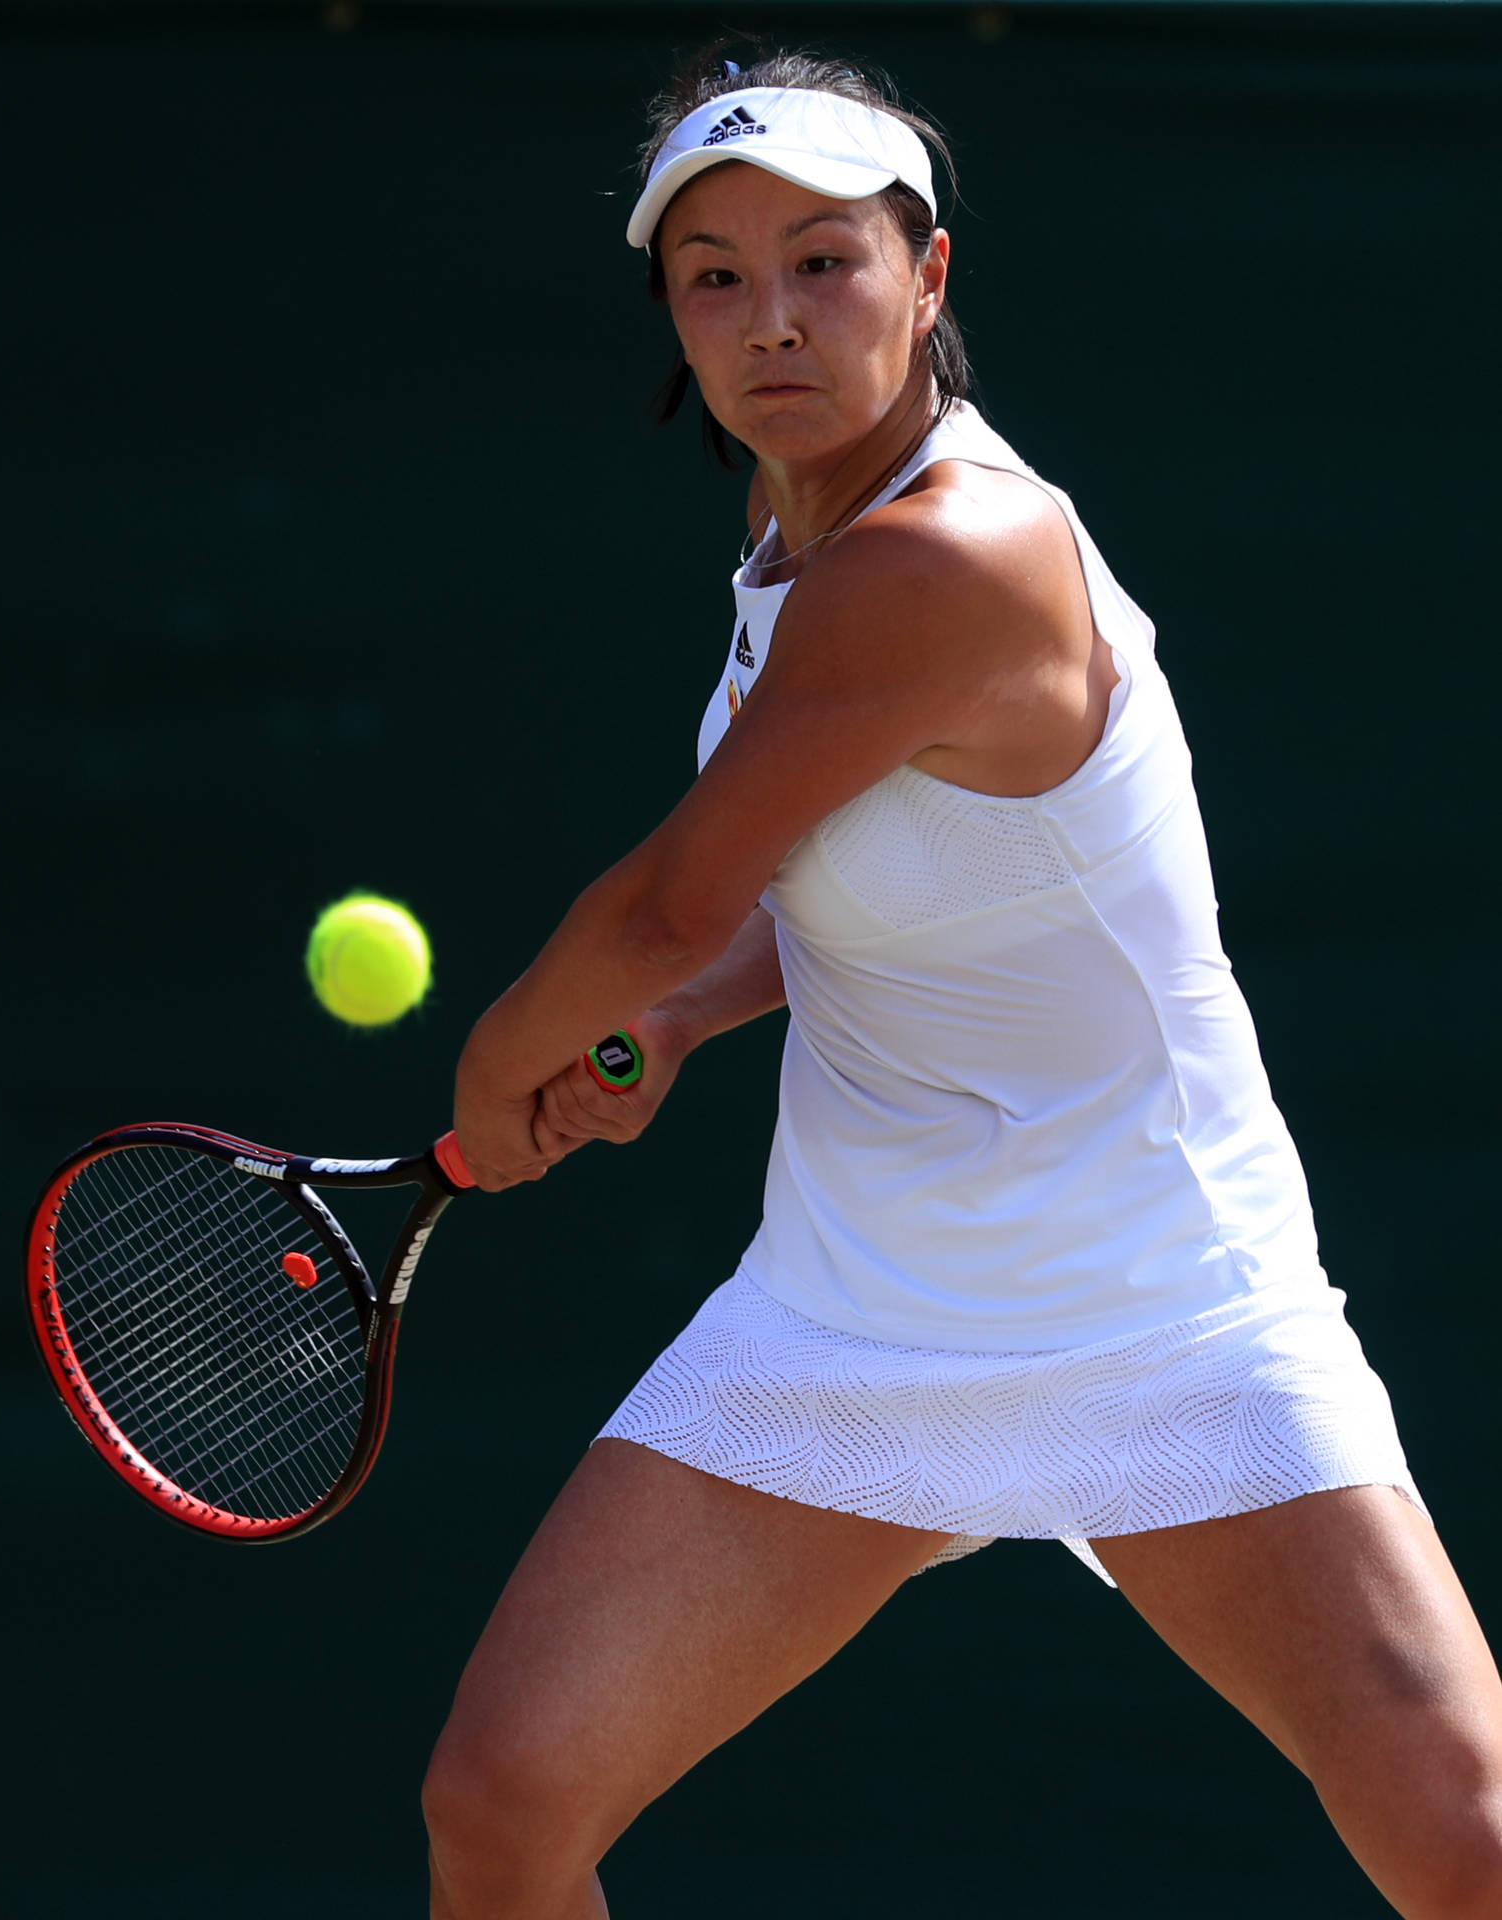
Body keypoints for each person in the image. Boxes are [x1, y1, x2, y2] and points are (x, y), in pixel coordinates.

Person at [428, 49, 1502, 1920]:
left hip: (1163, 1304)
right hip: (857, 1315)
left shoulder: (952, 555)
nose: (771, 318)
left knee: (1471, 1850)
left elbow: (672, 903)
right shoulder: (793, 547)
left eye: (824, 261)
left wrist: (498, 1067)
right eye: (715, 274)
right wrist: (673, 1026)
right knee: (506, 1803)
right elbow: (829, 893)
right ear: (672, 318)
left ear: (928, 280)